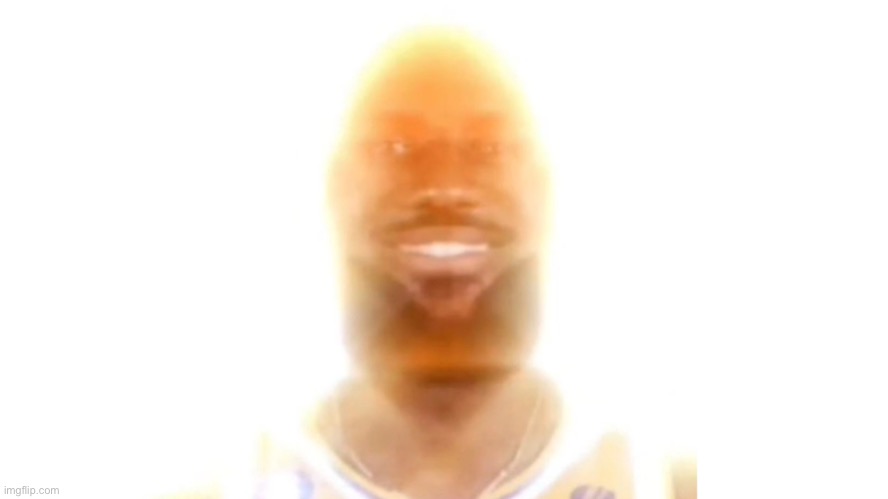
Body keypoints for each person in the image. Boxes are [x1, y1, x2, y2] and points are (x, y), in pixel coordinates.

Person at [171, 27, 691, 499]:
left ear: (546, 191)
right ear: (333, 190)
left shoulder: (668, 484)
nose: (445, 185)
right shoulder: (223, 487)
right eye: (395, 147)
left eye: (490, 148)